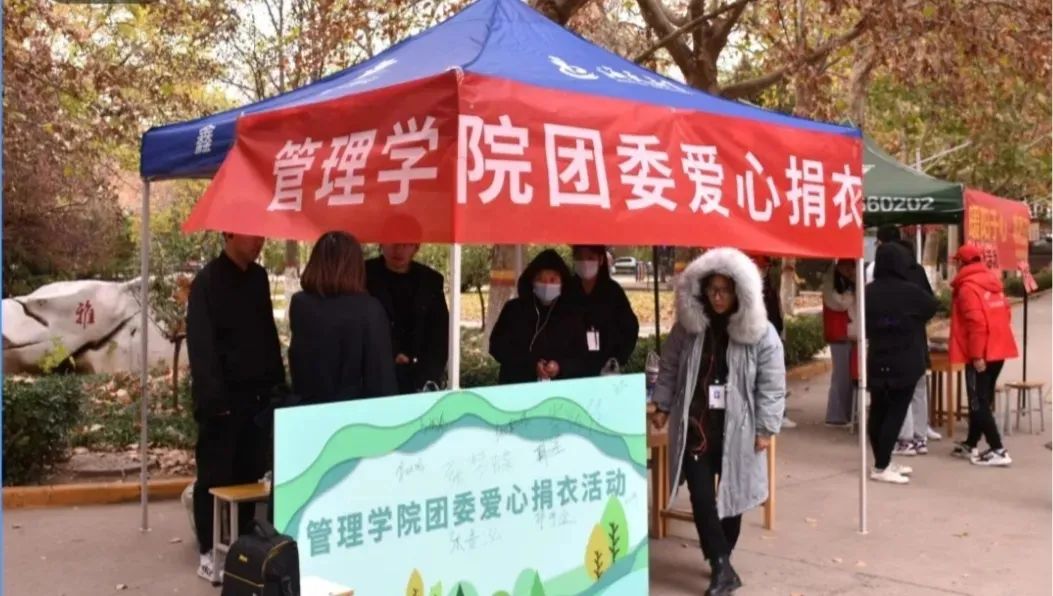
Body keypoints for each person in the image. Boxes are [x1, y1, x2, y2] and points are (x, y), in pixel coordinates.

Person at [651, 248, 785, 595]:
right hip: (698, 425)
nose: (718, 297)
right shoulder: (688, 329)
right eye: (712, 289)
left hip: (738, 429)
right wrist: (662, 404)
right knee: (700, 497)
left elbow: (772, 384)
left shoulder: (761, 333)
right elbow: (669, 366)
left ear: (739, 291)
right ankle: (722, 565)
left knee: (732, 498)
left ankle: (721, 559)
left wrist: (766, 427)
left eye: (725, 290)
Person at [187, 232, 285, 582]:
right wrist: (214, 400)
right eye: (251, 234)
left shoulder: (258, 278)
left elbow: (267, 334)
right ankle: (207, 550)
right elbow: (201, 347)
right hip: (221, 401)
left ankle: (241, 549)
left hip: (256, 397)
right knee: (214, 478)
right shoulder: (207, 282)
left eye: (262, 234)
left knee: (248, 475)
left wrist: (277, 384)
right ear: (228, 232)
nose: (259, 241)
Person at [290, 232, 398, 405]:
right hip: (354, 412)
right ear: (355, 265)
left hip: (308, 408)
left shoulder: (300, 304)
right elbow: (381, 378)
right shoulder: (369, 309)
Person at [865, 243, 939, 484]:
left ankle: (882, 460)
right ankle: (881, 466)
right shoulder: (911, 291)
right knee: (896, 412)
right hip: (905, 359)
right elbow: (932, 307)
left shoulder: (868, 292)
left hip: (877, 357)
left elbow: (862, 322)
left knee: (878, 410)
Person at [949, 244, 1018, 466]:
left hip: (981, 352)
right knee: (982, 398)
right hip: (999, 349)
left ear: (962, 263)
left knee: (978, 402)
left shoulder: (967, 288)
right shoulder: (993, 283)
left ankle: (998, 449)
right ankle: (971, 443)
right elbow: (1006, 313)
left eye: (956, 262)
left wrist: (977, 354)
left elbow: (976, 323)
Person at [489, 249, 588, 384]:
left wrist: (560, 367)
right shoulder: (513, 309)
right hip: (516, 386)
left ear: (563, 283)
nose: (547, 284)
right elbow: (497, 346)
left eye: (553, 279)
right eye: (540, 279)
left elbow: (582, 357)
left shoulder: (573, 314)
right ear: (531, 281)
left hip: (560, 391)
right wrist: (530, 364)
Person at [366, 243, 449, 393]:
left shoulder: (430, 280)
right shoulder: (364, 274)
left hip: (419, 377)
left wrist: (428, 378)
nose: (398, 249)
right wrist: (391, 353)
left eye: (406, 244)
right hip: (374, 373)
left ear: (416, 247)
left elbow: (440, 334)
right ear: (381, 243)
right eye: (392, 242)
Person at [566, 245, 639, 375]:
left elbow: (630, 327)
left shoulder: (613, 292)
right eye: (580, 257)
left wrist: (618, 359)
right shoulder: (567, 290)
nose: (585, 262)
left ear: (600, 259)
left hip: (605, 369)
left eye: (590, 258)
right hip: (572, 369)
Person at [750, 255, 796, 429]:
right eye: (762, 266)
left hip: (772, 335)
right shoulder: (750, 289)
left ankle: (779, 414)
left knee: (773, 379)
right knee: (764, 380)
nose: (765, 269)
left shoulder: (769, 286)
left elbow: (776, 312)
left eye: (766, 266)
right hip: (757, 338)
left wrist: (780, 332)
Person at [822, 258, 858, 426]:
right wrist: (851, 293)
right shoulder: (831, 285)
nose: (850, 270)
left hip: (849, 333)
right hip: (838, 333)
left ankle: (847, 412)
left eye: (852, 267)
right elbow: (839, 303)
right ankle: (836, 415)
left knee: (849, 376)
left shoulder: (848, 283)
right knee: (841, 376)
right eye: (847, 267)